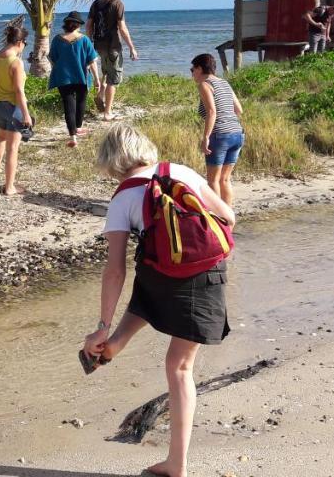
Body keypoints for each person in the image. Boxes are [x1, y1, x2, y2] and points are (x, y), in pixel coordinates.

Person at [82, 124, 236, 477]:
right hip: (205, 278)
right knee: (180, 366)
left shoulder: (122, 198)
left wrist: (101, 325)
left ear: (112, 161)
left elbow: (115, 272)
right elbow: (229, 218)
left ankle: (113, 340)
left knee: (149, 278)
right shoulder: (179, 171)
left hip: (160, 280)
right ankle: (175, 464)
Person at [191, 53, 245, 206]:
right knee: (225, 179)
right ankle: (228, 220)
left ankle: (217, 218)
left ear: (200, 69)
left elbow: (211, 112)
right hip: (237, 133)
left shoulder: (204, 84)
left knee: (213, 180)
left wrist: (206, 136)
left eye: (192, 69)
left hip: (220, 135)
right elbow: (239, 109)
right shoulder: (224, 83)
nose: (192, 73)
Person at [0, 20, 33, 196]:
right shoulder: (15, 62)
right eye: (25, 44)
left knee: (0, 137)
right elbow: (19, 91)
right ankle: (9, 187)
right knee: (13, 147)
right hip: (13, 107)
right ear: (19, 43)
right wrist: (26, 114)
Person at [85, 0, 138, 121]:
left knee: (106, 71)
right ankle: (107, 113)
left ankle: (101, 95)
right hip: (113, 45)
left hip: (98, 44)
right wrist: (132, 47)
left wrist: (89, 42)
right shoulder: (118, 4)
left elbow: (89, 25)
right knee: (113, 79)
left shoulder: (96, 3)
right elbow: (122, 27)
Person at [47, 11, 102, 148]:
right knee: (81, 101)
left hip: (63, 77)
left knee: (68, 105)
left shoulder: (57, 39)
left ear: (66, 25)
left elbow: (52, 59)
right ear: (78, 25)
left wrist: (60, 69)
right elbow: (92, 61)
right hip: (81, 76)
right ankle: (78, 127)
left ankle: (73, 137)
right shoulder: (84, 40)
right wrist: (97, 79)